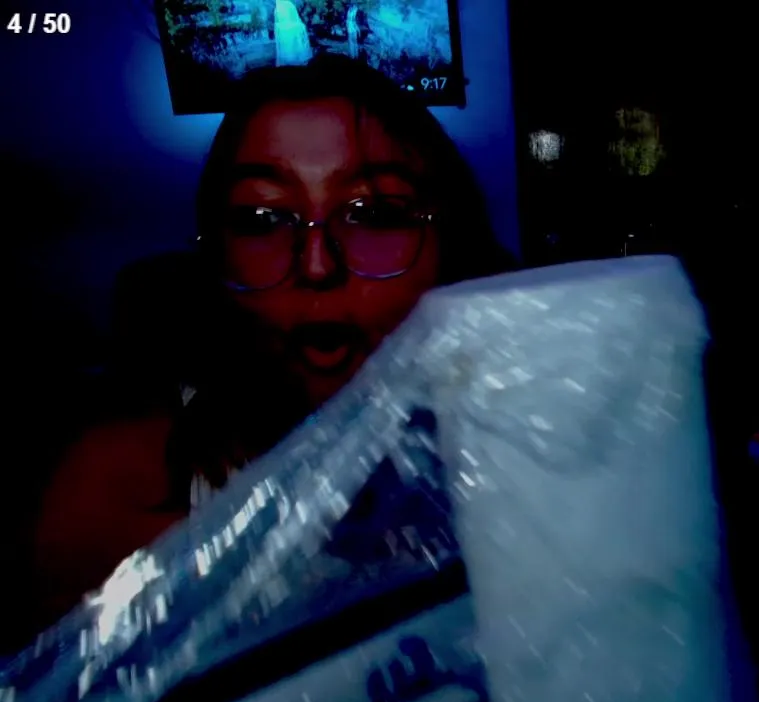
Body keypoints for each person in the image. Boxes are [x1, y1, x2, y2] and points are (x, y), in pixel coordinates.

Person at [33, 55, 513, 619]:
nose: (316, 264)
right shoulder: (121, 494)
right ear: (218, 258)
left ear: (452, 245)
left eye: (373, 213)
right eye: (262, 218)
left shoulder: (532, 463)